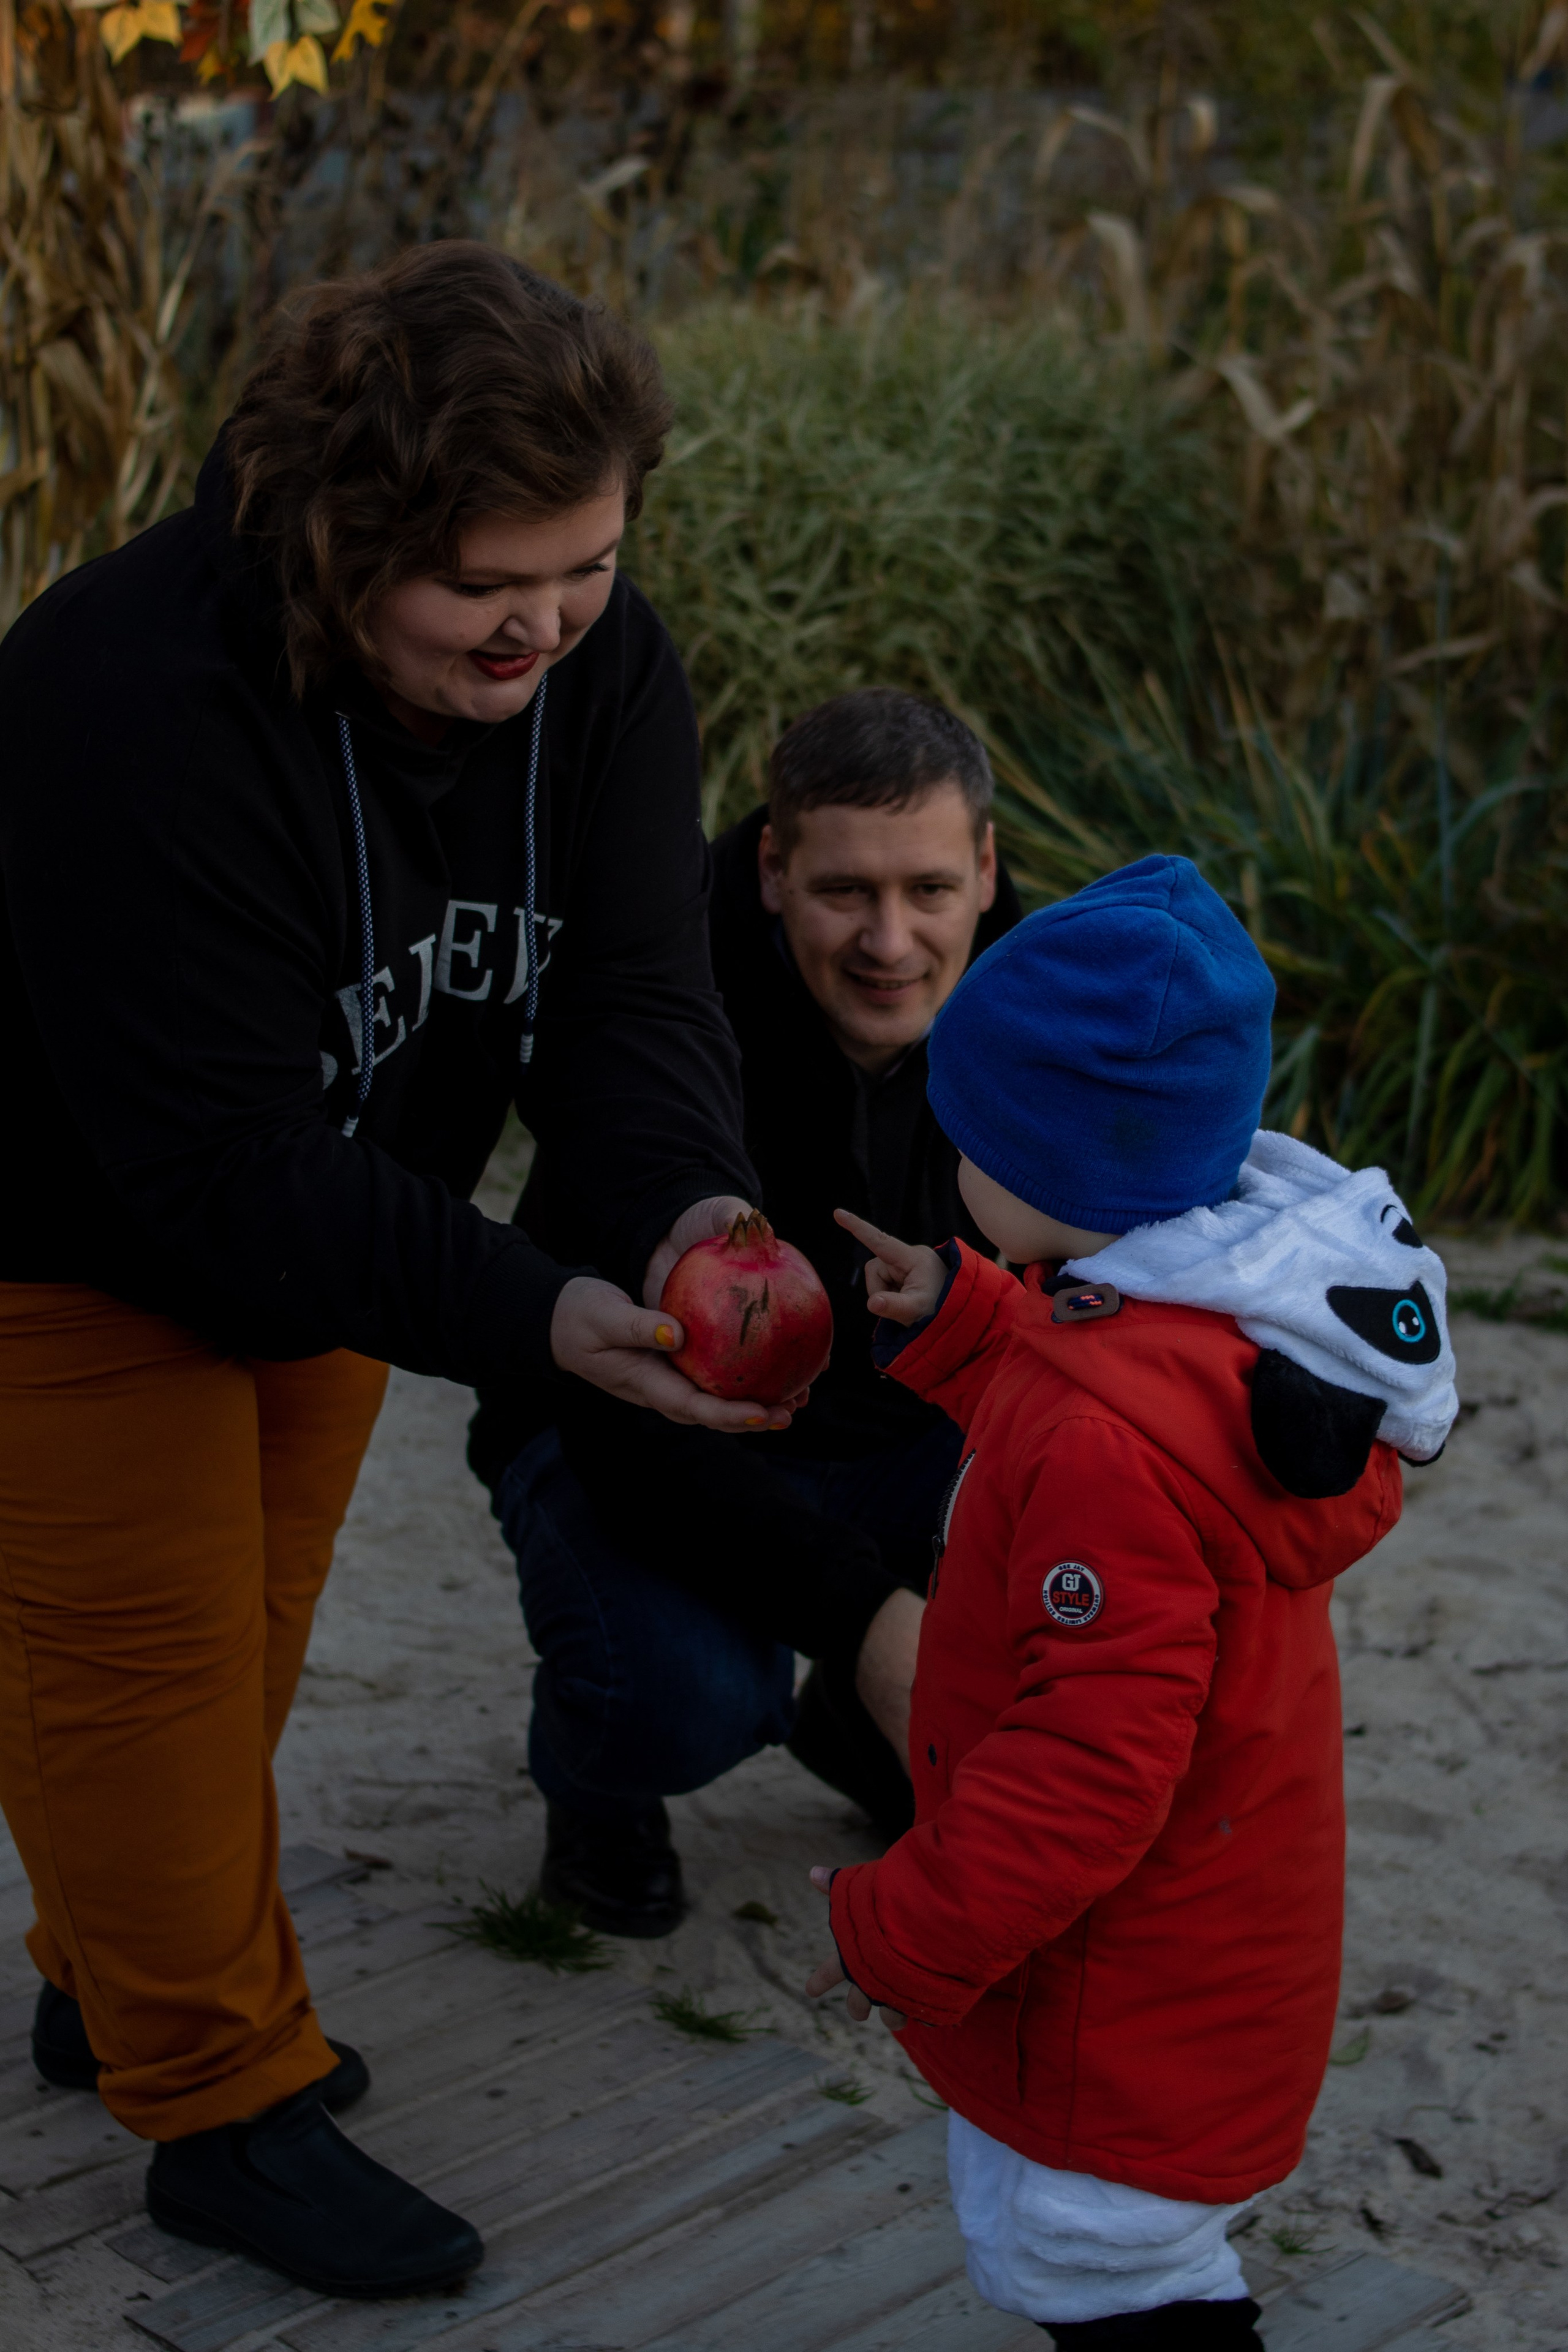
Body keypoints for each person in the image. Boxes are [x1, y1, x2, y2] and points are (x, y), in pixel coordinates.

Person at [0, 244, 797, 2298]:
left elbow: (633, 996)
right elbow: (212, 1160)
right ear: (344, 535)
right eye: (487, 584)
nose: (544, 624)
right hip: (66, 1225)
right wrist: (528, 1310)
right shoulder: (129, 696)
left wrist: (690, 1212)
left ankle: (111, 1986)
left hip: (351, 1213)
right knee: (148, 1675)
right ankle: (220, 2106)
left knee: (246, 1637)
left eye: (590, 567)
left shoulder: (604, 679)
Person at [805, 854, 1458, 2348]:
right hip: (1210, 1940)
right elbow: (1093, 1397)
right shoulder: (1195, 1321)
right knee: (1092, 2252)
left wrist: (897, 1932)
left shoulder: (1109, 1439)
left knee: (1089, 2265)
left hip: (1123, 1990)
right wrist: (971, 1318)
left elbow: (1086, 1775)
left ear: (1049, 1165)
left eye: (964, 1134)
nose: (948, 1157)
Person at [467, 690, 1022, 1934]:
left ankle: (852, 1721)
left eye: (928, 890)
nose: (889, 942)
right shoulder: (651, 1032)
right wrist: (869, 1618)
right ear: (770, 867)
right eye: (844, 893)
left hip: (895, 1430)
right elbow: (628, 1424)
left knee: (1093, 1538)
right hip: (634, 1426)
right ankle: (595, 1779)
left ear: (984, 870)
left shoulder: (1042, 1022)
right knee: (686, 1701)